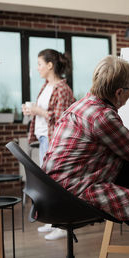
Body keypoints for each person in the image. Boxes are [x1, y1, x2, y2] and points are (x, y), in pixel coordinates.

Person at [42, 55, 129, 258]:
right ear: (118, 92)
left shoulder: (82, 104)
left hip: (53, 188)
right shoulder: (102, 116)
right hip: (74, 192)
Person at [22, 48, 75, 241]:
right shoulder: (46, 86)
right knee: (49, 182)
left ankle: (62, 225)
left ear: (50, 65)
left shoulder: (62, 88)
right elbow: (45, 112)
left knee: (56, 182)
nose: (37, 68)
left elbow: (61, 118)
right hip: (45, 138)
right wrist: (33, 111)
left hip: (55, 141)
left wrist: (39, 111)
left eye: (39, 64)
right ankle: (54, 221)